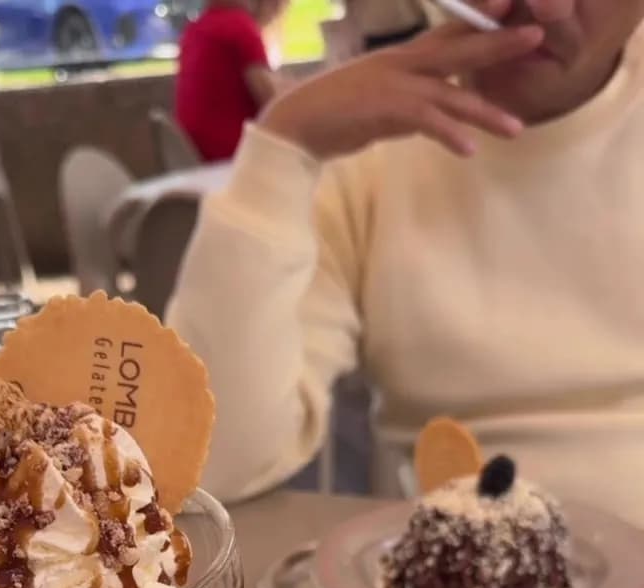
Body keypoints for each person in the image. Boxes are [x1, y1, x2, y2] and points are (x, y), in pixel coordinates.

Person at [169, 1, 644, 525]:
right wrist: (282, 147)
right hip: (443, 585)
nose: (541, 6)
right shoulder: (367, 144)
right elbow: (218, 464)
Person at [175, 0, 287, 163]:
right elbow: (273, 104)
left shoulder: (195, 29)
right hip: (233, 155)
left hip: (196, 154)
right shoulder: (239, 26)